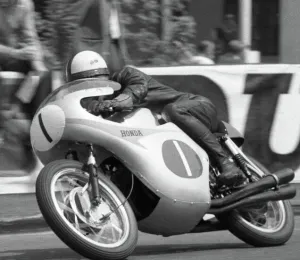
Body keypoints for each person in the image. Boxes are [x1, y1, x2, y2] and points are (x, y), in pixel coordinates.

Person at [66, 51, 245, 186]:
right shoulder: (93, 108)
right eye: (82, 85)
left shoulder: (127, 75)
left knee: (172, 110)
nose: (90, 87)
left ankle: (225, 162)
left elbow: (134, 93)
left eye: (94, 79)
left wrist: (112, 103)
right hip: (164, 142)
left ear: (104, 75)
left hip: (194, 106)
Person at [0, 0, 52, 173]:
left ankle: (33, 138)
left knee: (44, 75)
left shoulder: (24, 4)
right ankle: (14, 113)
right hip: (5, 54)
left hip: (14, 56)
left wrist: (36, 61)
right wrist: (15, 53)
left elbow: (31, 37)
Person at [73, 0, 130, 73]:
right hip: (92, 48)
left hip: (111, 46)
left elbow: (117, 32)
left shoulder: (113, 4)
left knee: (117, 71)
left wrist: (124, 57)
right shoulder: (95, 3)